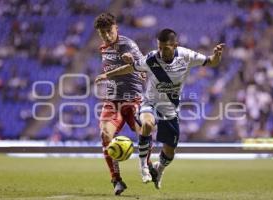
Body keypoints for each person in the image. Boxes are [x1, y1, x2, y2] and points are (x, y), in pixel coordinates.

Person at [96, 28, 225, 189]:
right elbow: (130, 68)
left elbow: (211, 61)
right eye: (159, 47)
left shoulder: (186, 56)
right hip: (150, 103)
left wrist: (217, 55)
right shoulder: (152, 58)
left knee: (169, 153)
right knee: (148, 124)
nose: (161, 51)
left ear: (175, 45)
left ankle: (159, 169)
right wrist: (108, 75)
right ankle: (143, 167)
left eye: (165, 48)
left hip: (170, 109)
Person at [93, 13, 153, 195]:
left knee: (145, 130)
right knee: (105, 134)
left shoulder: (127, 44)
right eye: (102, 33)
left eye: (109, 31)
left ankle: (148, 164)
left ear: (116, 27)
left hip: (133, 99)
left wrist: (133, 63)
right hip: (112, 101)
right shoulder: (103, 48)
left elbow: (143, 66)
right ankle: (116, 180)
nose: (107, 36)